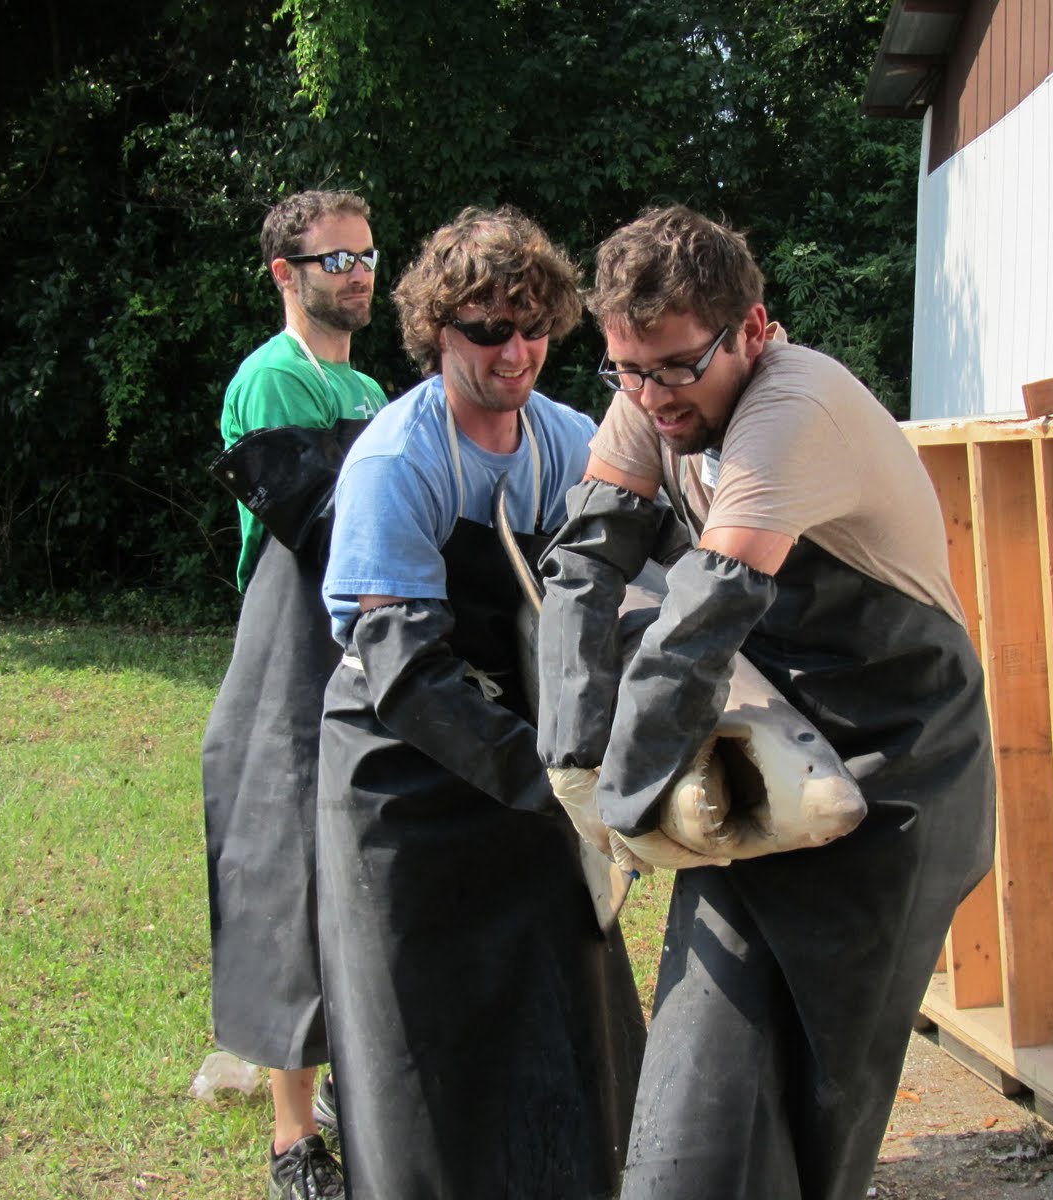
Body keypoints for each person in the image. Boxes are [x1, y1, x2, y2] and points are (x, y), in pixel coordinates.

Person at [536, 205, 997, 1199]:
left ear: (751, 329)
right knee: (706, 1083)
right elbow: (583, 568)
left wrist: (622, 809)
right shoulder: (649, 393)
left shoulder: (795, 408)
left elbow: (702, 614)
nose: (650, 397)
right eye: (624, 368)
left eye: (672, 368)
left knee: (823, 1092)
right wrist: (572, 761)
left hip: (900, 765)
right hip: (773, 756)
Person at [315, 206, 647, 1199]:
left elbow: (634, 589)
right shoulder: (395, 461)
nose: (516, 350)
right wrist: (553, 785)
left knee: (564, 1010)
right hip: (403, 778)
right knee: (423, 1043)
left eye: (534, 324)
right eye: (487, 329)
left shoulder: (573, 439)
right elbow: (409, 675)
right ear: (437, 333)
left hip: (532, 763)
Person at [201, 189, 385, 1200]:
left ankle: (370, 1105)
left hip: (363, 648)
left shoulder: (372, 389)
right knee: (288, 880)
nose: (356, 273)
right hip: (290, 651)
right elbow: (314, 530)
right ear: (286, 274)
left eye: (364, 256)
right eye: (333, 261)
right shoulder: (272, 381)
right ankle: (290, 1143)